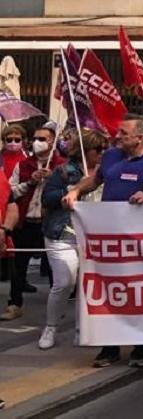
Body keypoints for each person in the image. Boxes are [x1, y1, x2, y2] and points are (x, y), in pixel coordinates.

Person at [65, 116, 143, 367]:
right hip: (109, 239)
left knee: (138, 290)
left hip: (140, 240)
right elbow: (95, 180)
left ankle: (140, 347)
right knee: (108, 290)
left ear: (140, 137)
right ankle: (109, 347)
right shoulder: (111, 156)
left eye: (124, 133)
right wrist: (75, 191)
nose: (118, 135)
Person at [35, 129, 105, 351]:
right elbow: (48, 198)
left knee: (88, 284)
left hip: (94, 236)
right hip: (62, 232)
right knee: (65, 281)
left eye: (105, 149)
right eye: (98, 150)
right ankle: (51, 327)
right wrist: (73, 189)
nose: (102, 154)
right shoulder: (64, 171)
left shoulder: (108, 172)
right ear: (86, 150)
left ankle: (81, 329)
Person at [1, 125, 63, 322]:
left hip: (50, 224)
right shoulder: (24, 165)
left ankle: (57, 309)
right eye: (35, 138)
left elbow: (70, 192)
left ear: (53, 142)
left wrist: (53, 180)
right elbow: (10, 192)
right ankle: (15, 304)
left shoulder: (62, 166)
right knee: (19, 266)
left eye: (43, 139)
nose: (37, 142)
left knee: (55, 267)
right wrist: (29, 183)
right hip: (26, 221)